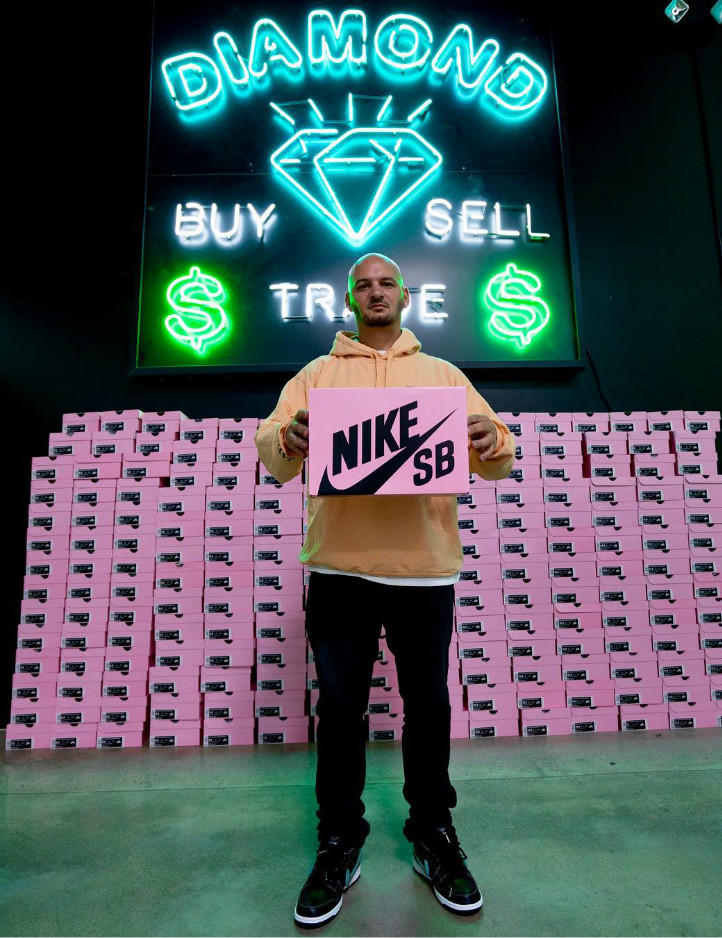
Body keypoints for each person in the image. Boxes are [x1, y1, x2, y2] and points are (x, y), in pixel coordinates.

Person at [255, 253, 514, 927]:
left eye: (386, 284)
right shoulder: (316, 375)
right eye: (363, 285)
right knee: (340, 711)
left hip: (424, 569)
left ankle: (433, 834)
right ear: (350, 299)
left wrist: (491, 440)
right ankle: (338, 841)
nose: (375, 293)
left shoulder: (444, 375)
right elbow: (273, 452)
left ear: (405, 295)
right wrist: (290, 437)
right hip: (340, 569)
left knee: (428, 707)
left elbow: (499, 456)